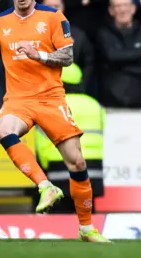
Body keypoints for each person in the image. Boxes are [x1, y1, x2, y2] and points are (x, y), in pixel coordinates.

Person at [0, 0, 109, 243]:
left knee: (76, 161)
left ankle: (86, 227)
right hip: (18, 98)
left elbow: (67, 57)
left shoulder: (52, 17)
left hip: (51, 97)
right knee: (4, 129)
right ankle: (45, 185)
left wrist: (37, 53)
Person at [34, 63, 105, 215]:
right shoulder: (95, 105)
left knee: (61, 218)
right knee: (88, 218)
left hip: (61, 167)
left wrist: (46, 167)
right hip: (92, 170)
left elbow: (42, 143)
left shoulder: (51, 105)